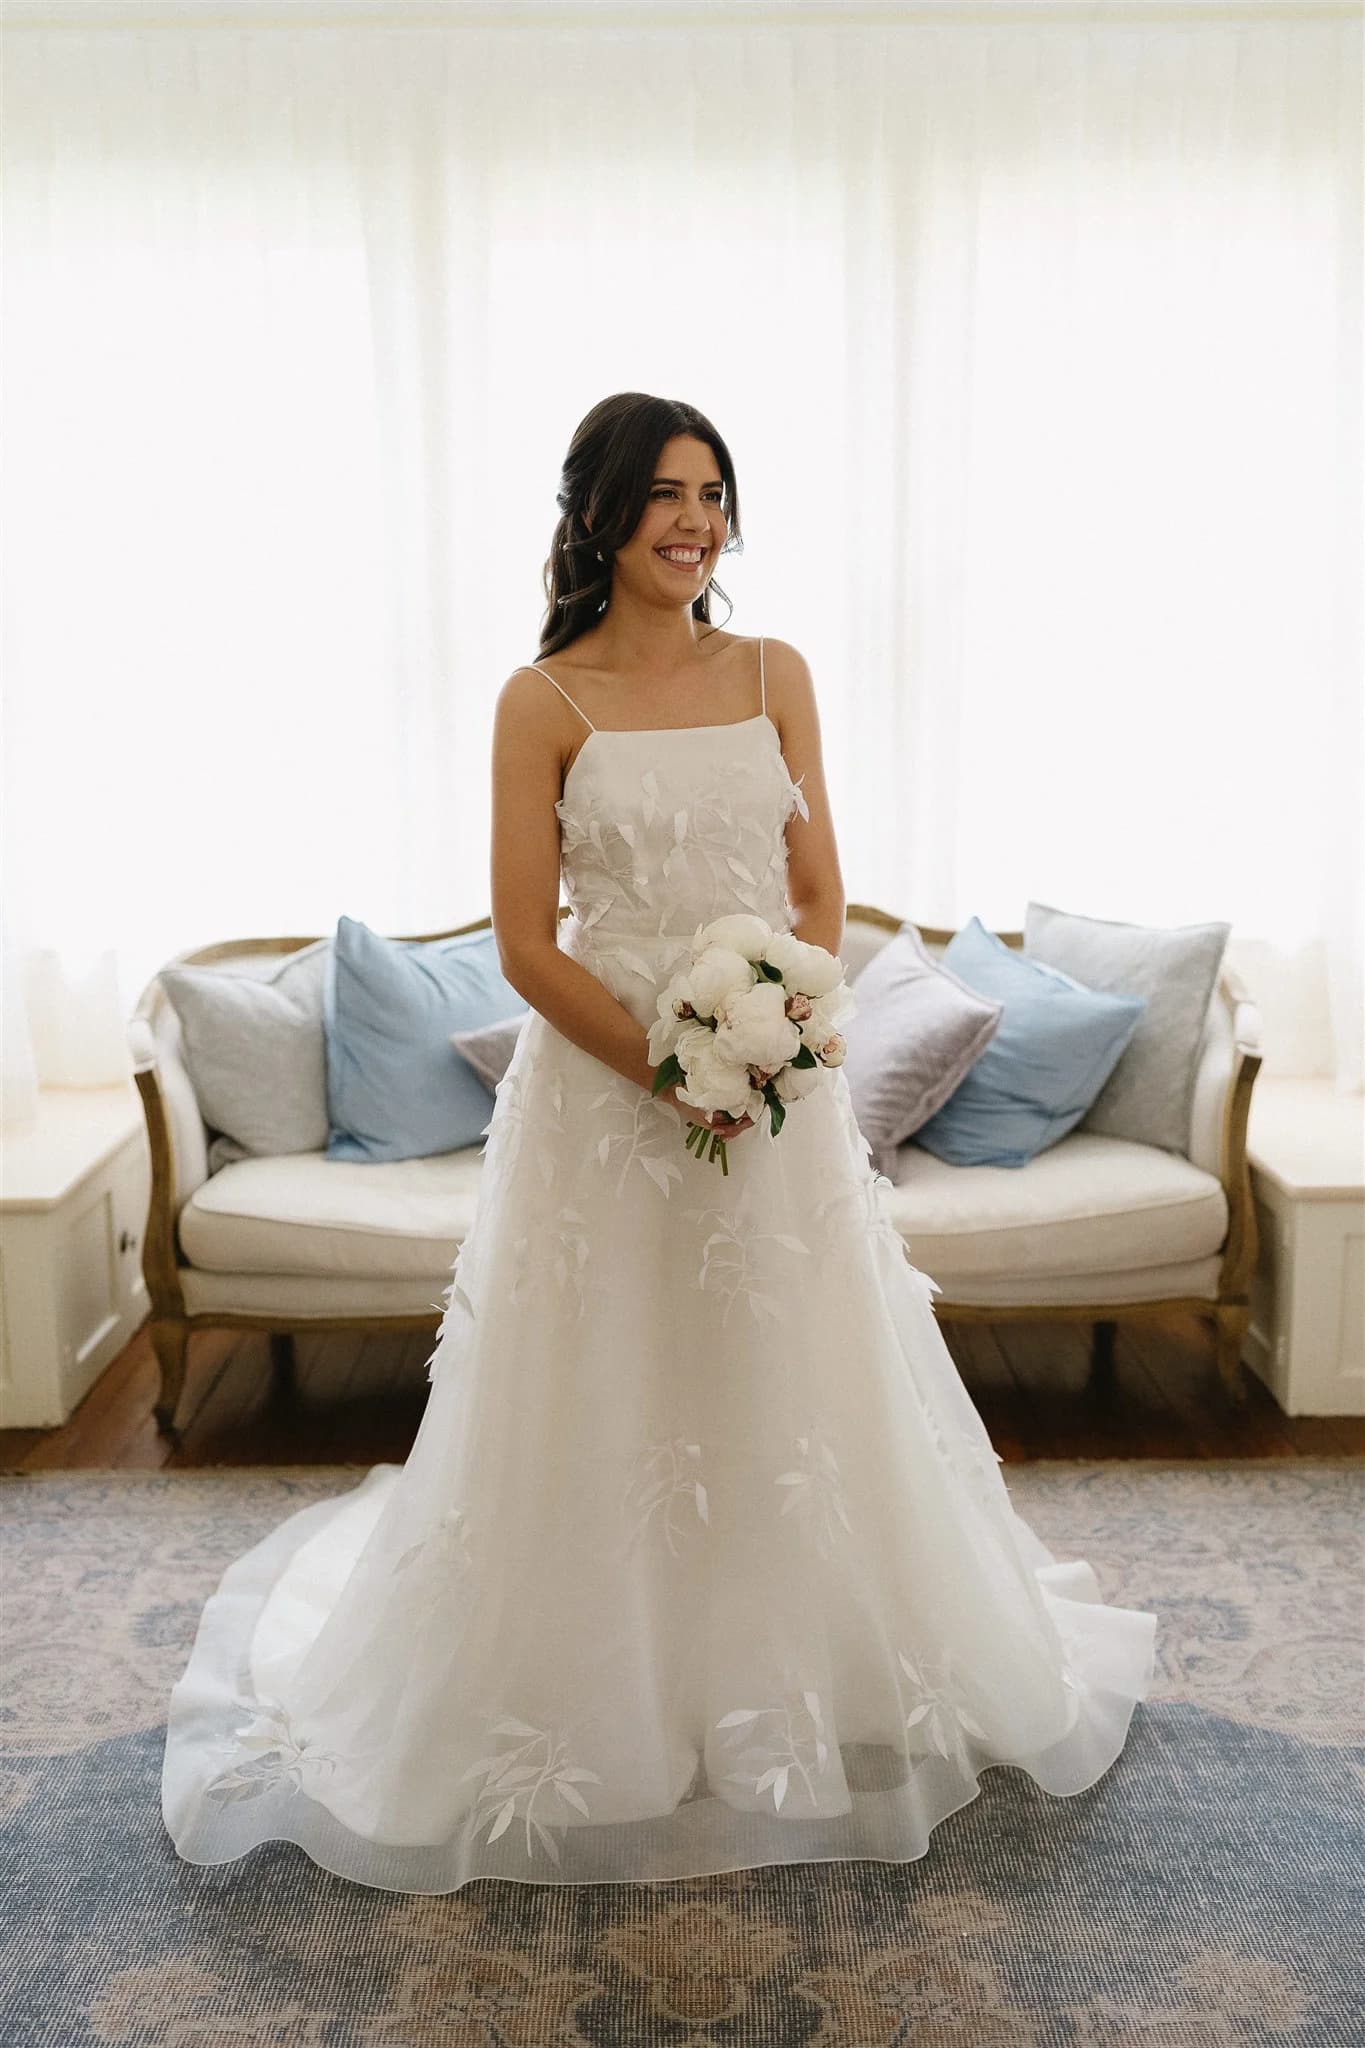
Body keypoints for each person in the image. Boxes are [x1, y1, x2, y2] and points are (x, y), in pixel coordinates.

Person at [161, 392, 1157, 1893]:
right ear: (599, 516)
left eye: (714, 494)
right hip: (602, 1099)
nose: (696, 521)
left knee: (786, 1379)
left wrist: (775, 1018)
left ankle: (803, 1665)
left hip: (770, 1094)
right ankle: (602, 1688)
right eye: (666, 496)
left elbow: (819, 884)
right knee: (610, 1375)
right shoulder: (539, 699)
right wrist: (667, 1067)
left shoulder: (773, 672)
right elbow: (519, 943)